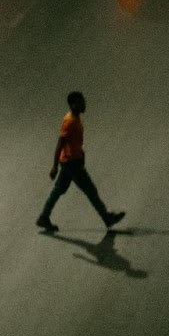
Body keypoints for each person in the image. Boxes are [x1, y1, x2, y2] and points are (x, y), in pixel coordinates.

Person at [36, 91, 125, 233]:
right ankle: (107, 218)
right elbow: (60, 143)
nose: (84, 104)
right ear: (73, 105)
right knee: (91, 191)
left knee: (58, 190)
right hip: (72, 164)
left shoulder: (74, 118)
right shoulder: (70, 121)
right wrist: (54, 166)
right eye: (80, 102)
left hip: (69, 162)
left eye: (83, 101)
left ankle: (43, 217)